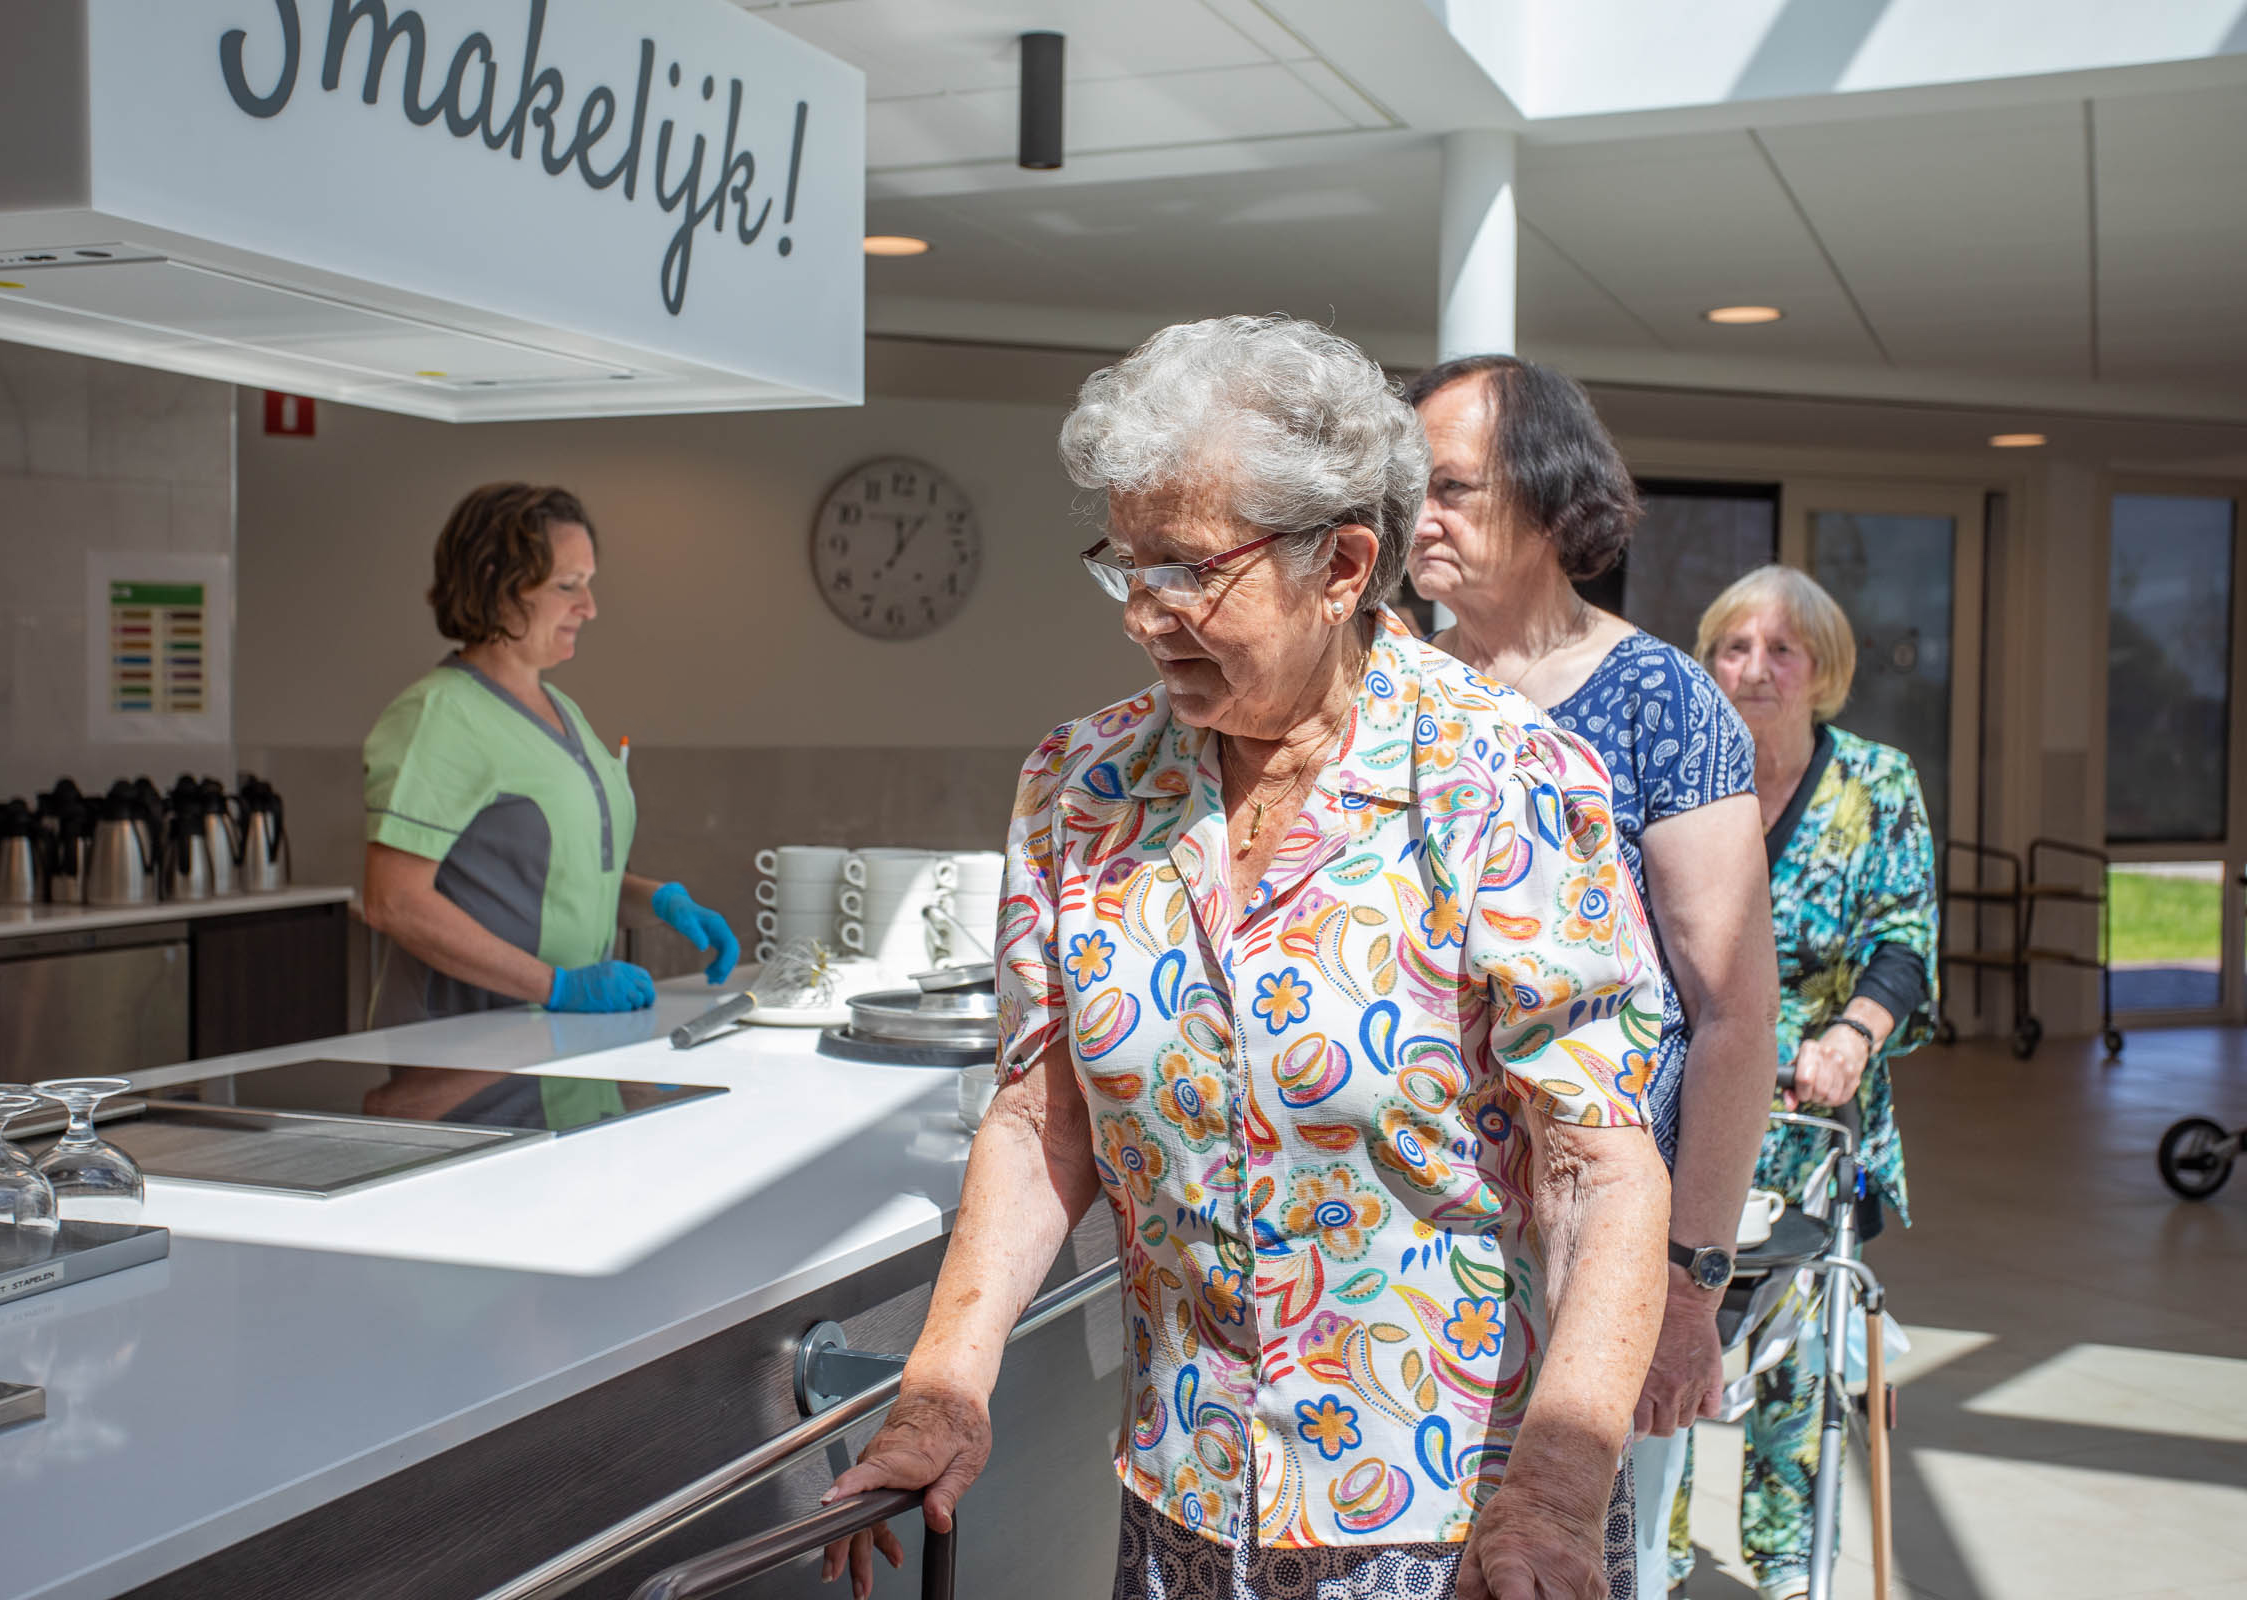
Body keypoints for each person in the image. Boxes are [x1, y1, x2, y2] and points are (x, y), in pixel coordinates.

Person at [821, 316, 1671, 1600]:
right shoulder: (1081, 783)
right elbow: (1041, 1113)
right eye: (1126, 562)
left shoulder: (1507, 779)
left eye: (1188, 570)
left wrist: (1558, 1488)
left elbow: (1597, 1166)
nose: (1144, 613)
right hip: (1184, 1503)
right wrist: (944, 1387)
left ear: (1342, 564)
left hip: (1455, 1524)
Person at [1400, 356, 1780, 1593]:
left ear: (1554, 505)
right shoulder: (1388, 685)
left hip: (1588, 1248)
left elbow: (1731, 1014)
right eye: (1409, 488)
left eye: (1452, 486)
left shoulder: (1660, 702)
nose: (1420, 517)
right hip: (1406, 1255)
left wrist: (1689, 1286)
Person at [1678, 565, 1936, 1599]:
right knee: (1668, 1336)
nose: (1755, 669)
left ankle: (1792, 1565)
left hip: (1817, 1117)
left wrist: (1852, 1037)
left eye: (1781, 650)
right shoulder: (1684, 773)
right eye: (1734, 647)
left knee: (1799, 1366)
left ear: (1822, 669)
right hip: (1689, 1110)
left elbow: (1904, 942)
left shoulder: (1876, 783)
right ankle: (1651, 1554)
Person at [360, 483, 736, 1026]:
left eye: (588, 585)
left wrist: (657, 902)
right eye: (568, 586)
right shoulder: (439, 715)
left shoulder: (561, 710)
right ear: (497, 583)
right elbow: (394, 903)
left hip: (547, 1040)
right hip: (460, 1044)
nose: (590, 608)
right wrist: (555, 986)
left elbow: (549, 885)